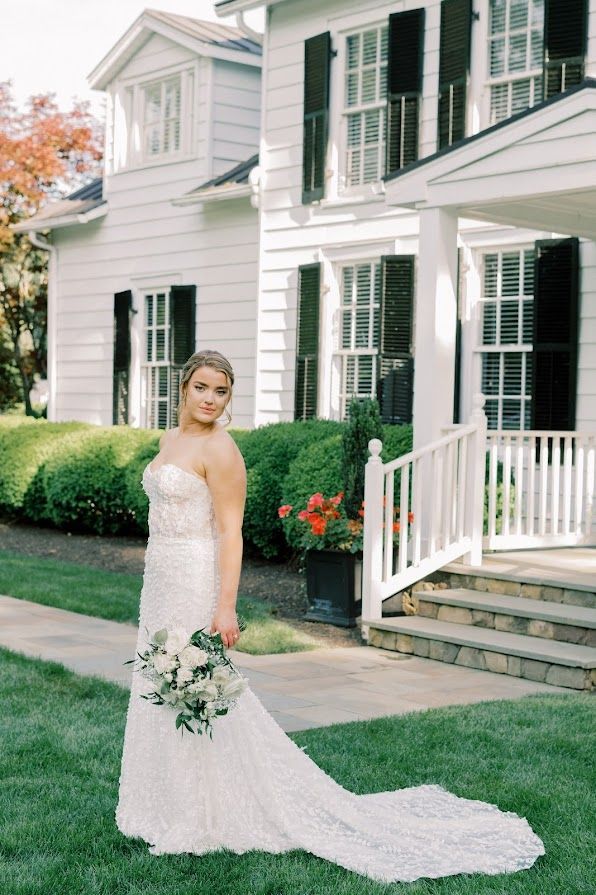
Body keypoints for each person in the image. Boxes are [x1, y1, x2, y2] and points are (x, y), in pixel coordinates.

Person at [115, 348, 544, 883]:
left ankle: (204, 810)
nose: (210, 399)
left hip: (196, 577)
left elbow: (231, 532)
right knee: (162, 682)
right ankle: (165, 804)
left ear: (229, 397)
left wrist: (224, 605)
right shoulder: (171, 440)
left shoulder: (222, 451)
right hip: (161, 577)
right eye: (202, 388)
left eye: (221, 391)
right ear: (184, 388)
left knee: (198, 687)